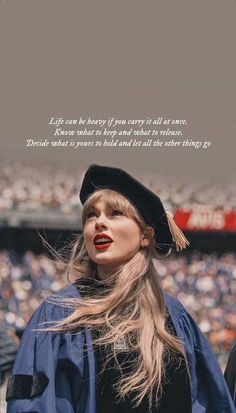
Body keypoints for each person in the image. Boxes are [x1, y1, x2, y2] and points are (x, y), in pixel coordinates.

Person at [6, 165, 235, 413]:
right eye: (91, 215)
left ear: (146, 235)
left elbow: (210, 402)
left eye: (115, 213)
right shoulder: (60, 315)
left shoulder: (174, 316)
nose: (99, 223)